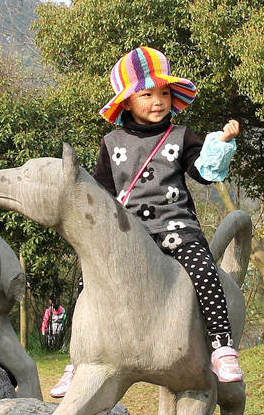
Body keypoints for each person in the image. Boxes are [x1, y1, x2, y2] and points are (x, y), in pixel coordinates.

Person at [93, 46, 244, 383]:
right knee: (87, 277)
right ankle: (81, 359)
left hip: (177, 226)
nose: (157, 101)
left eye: (163, 93)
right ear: (127, 102)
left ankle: (221, 348)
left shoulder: (180, 136)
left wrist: (221, 143)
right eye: (146, 94)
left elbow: (204, 172)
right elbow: (101, 194)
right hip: (129, 232)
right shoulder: (111, 142)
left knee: (205, 270)